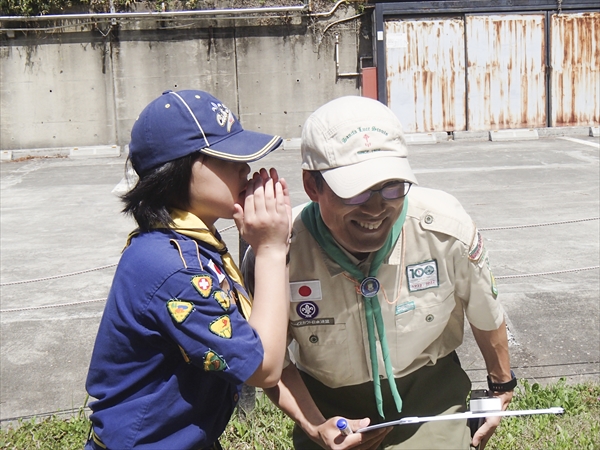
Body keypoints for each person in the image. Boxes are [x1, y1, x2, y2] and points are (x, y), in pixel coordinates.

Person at [242, 96, 514, 450]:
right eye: (355, 191)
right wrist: (314, 425)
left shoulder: (445, 230)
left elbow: (485, 311)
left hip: (427, 398)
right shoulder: (279, 249)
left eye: (392, 186)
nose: (376, 207)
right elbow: (271, 362)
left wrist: (501, 386)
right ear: (313, 186)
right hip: (326, 404)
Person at [85, 89, 291, 450]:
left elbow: (247, 339)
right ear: (176, 170)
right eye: (228, 159)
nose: (245, 168)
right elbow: (265, 367)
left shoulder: (189, 244)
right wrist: (271, 250)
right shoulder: (176, 269)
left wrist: (314, 423)